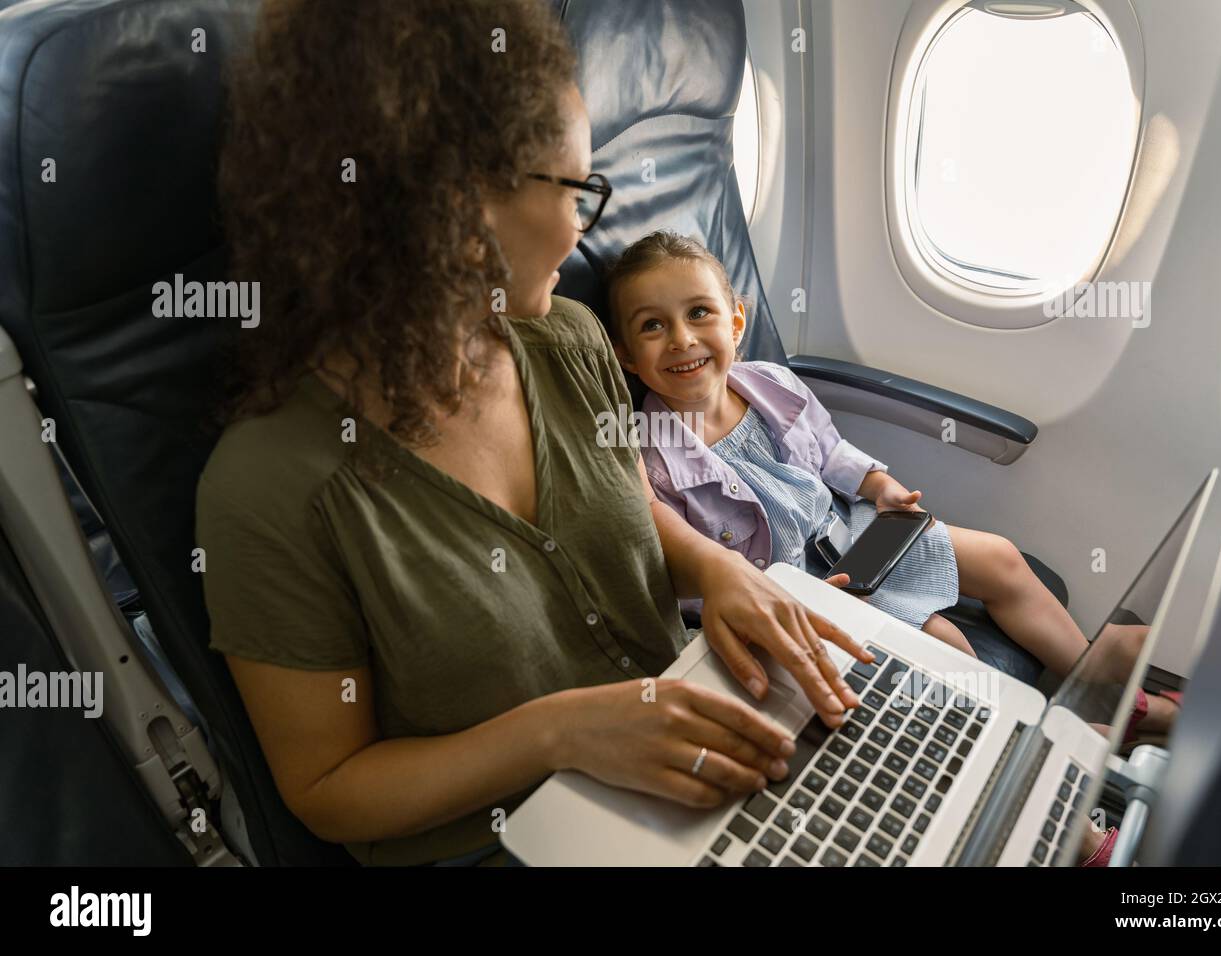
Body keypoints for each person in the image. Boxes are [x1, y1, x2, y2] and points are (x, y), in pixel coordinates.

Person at [198, 0, 873, 867]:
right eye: (576, 189)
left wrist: (723, 570)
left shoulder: (570, 341)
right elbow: (329, 787)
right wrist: (561, 734)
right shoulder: (271, 487)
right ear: (449, 210)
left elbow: (632, 518)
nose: (588, 225)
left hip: (679, 748)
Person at [605, 231, 1178, 865]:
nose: (682, 339)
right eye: (653, 327)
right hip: (804, 592)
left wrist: (880, 487)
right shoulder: (650, 455)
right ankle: (1055, 798)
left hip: (853, 534)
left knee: (1001, 559)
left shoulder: (770, 384)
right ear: (629, 356)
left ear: (736, 320)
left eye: (699, 313)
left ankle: (1099, 693)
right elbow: (685, 577)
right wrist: (782, 597)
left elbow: (832, 454)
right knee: (950, 651)